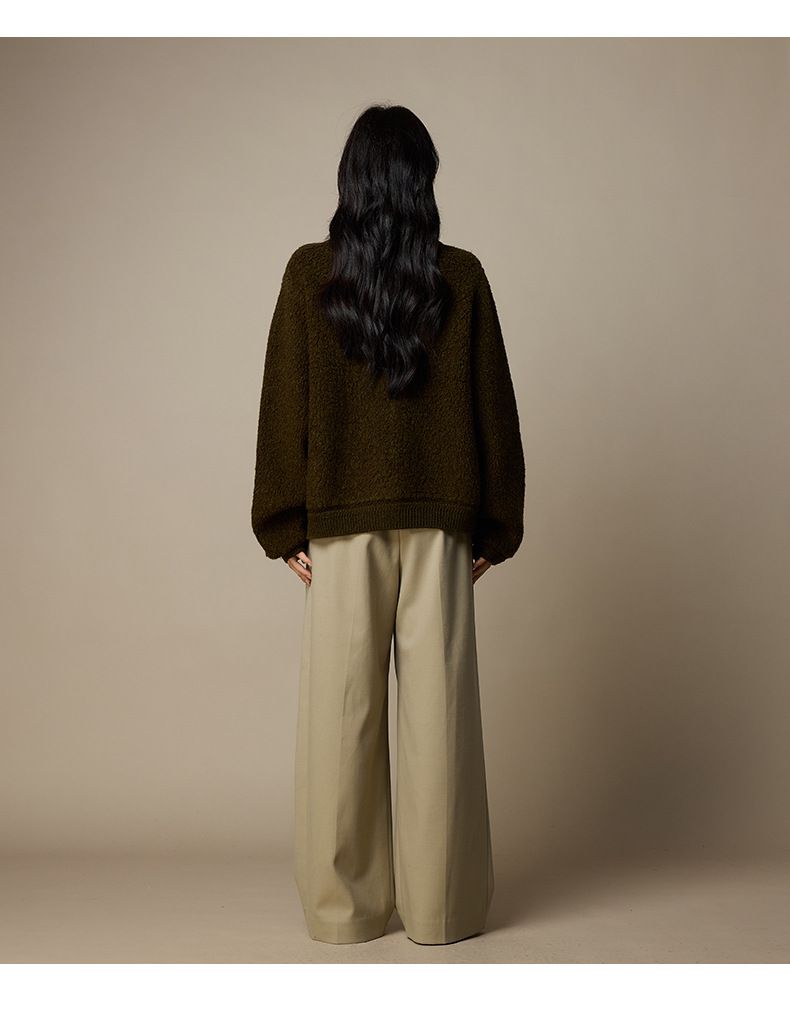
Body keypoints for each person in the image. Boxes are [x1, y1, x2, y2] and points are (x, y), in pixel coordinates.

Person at [251, 103, 525, 945]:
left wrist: (284, 523)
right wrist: (493, 528)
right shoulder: (461, 277)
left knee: (341, 722)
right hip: (440, 529)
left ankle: (345, 911)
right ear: (422, 182)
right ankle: (440, 910)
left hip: (341, 530)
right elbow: (495, 411)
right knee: (439, 722)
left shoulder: (310, 274)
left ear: (352, 180)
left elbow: (283, 402)